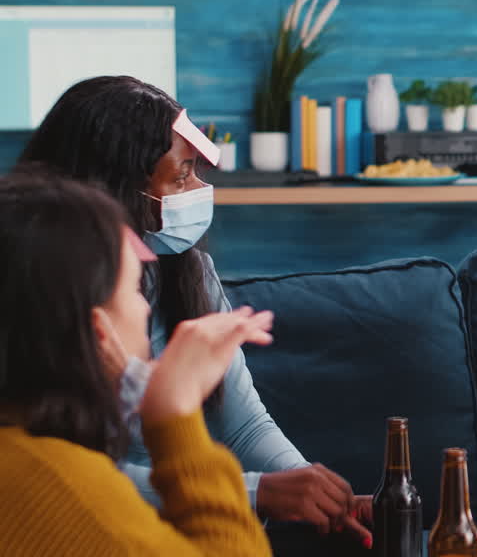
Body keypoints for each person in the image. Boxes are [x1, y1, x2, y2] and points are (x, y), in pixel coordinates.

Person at [18, 76, 371, 546]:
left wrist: (307, 485)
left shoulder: (189, 271)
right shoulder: (40, 295)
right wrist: (255, 492)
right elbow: (63, 476)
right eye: (182, 174)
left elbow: (243, 424)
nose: (199, 189)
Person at [0, 169, 274, 555]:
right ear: (98, 328)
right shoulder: (64, 489)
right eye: (133, 287)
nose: (145, 305)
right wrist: (174, 415)